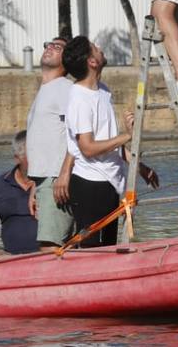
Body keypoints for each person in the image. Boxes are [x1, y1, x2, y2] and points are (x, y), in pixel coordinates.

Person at [61, 36, 158, 247]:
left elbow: (109, 142)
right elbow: (87, 148)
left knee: (110, 247)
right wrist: (127, 134)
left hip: (111, 183)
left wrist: (139, 167)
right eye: (95, 48)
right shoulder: (79, 99)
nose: (100, 48)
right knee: (92, 250)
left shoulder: (103, 91)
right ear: (92, 62)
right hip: (89, 185)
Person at [24, 36, 76, 251]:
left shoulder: (64, 87)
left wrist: (64, 173)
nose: (50, 48)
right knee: (54, 244)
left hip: (57, 177)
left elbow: (78, 133)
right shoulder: (47, 89)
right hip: (45, 178)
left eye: (58, 47)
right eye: (48, 44)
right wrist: (34, 185)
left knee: (50, 245)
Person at [0, 130, 38, 256]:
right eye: (33, 153)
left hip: (48, 256)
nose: (39, 157)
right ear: (17, 158)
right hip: (10, 258)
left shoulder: (52, 183)